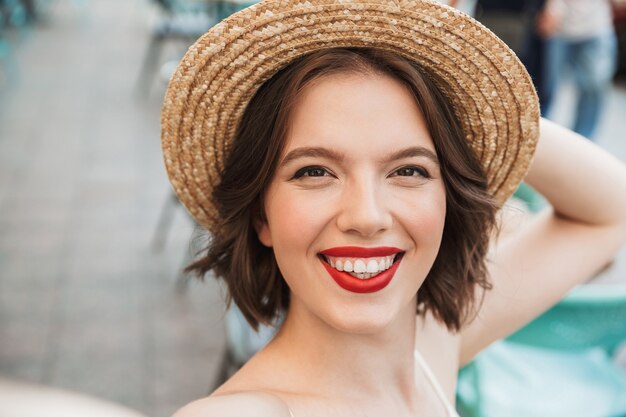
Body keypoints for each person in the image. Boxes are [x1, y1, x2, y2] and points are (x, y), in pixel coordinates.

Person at [159, 1, 626, 416]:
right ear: (262, 214)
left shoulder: (431, 346)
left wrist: (491, 110)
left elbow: (610, 210)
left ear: (448, 200)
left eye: (408, 171)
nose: (367, 216)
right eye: (315, 172)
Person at [537, 0, 618, 139]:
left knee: (593, 89)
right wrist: (550, 8)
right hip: (559, 26)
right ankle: (539, 137)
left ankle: (583, 139)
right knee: (547, 88)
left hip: (595, 27)